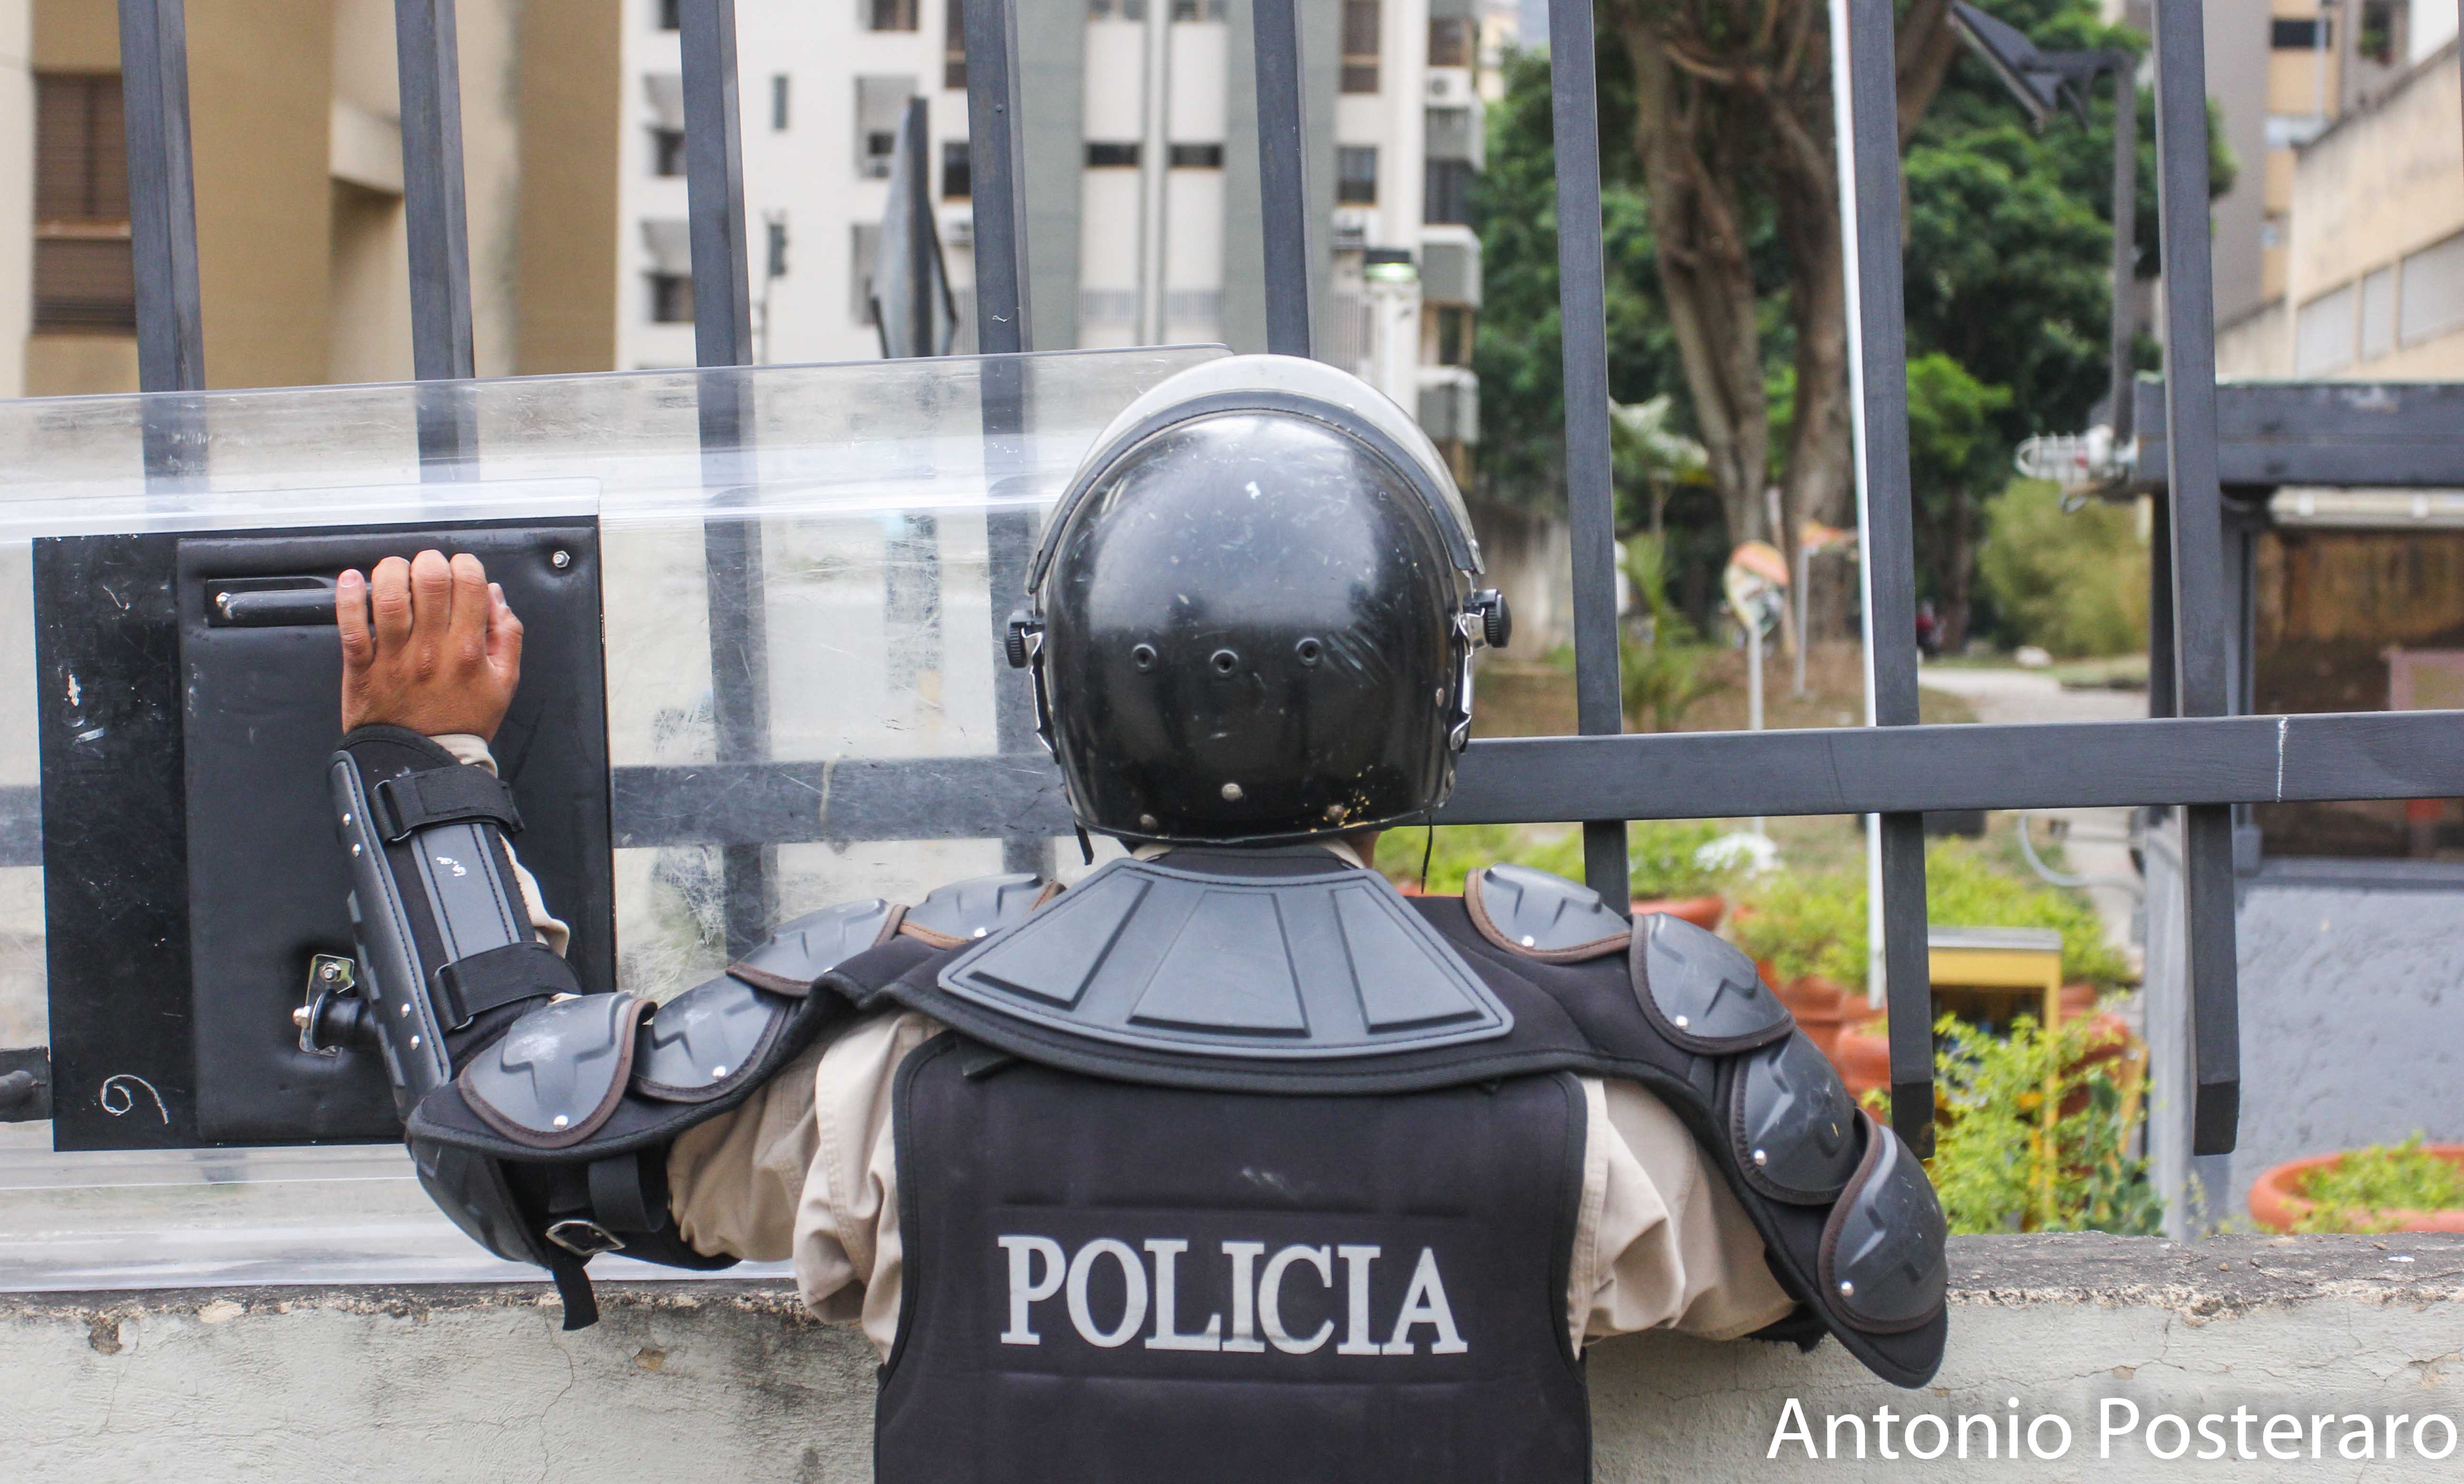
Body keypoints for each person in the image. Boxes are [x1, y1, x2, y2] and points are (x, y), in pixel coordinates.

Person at [327, 355, 1946, 1481]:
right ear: (1424, 695)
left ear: (1075, 686)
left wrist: (422, 757)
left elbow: (508, 1130)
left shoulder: (885, 1078)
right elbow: (1875, 1283)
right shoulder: (1596, 1104)